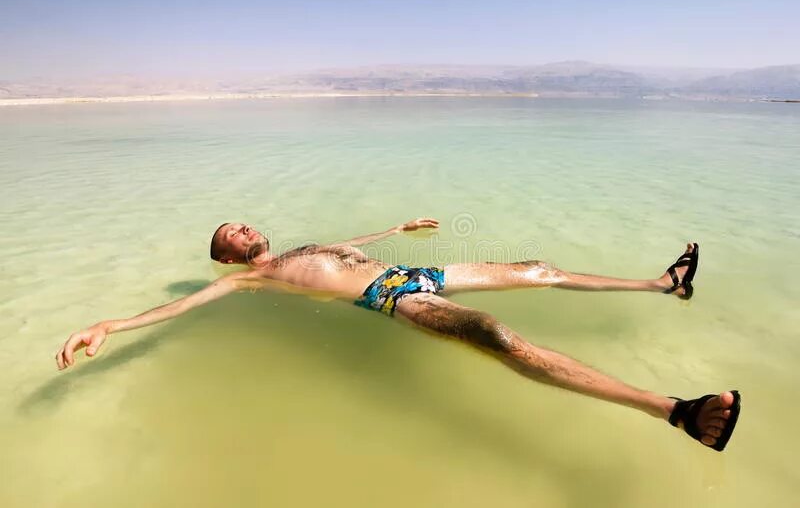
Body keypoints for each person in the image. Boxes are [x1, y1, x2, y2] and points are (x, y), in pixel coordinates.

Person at [55, 218, 741, 451]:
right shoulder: (246, 281)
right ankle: (674, 410)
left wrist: (396, 228)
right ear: (228, 256)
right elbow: (182, 308)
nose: (243, 229)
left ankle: (662, 285)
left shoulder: (298, 246)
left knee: (542, 269)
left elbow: (346, 246)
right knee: (498, 336)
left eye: (242, 222)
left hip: (414, 267)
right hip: (391, 299)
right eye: (231, 233)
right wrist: (110, 322)